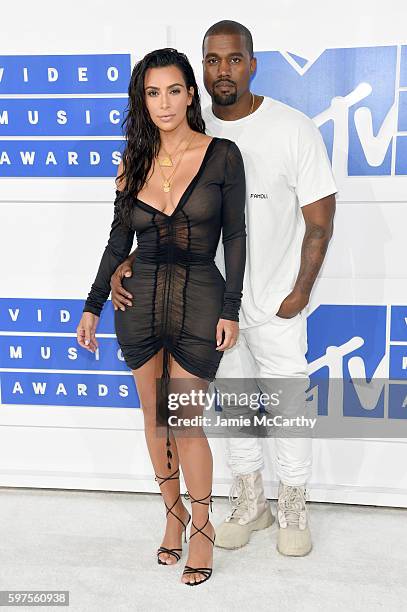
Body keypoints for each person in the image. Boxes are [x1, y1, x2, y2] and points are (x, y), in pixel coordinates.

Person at [110, 21, 337, 559]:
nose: (222, 70)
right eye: (212, 60)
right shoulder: (191, 124)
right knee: (233, 408)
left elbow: (321, 220)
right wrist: (128, 262)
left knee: (285, 407)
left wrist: (300, 291)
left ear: (252, 64)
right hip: (210, 303)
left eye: (233, 60)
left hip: (278, 302)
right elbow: (170, 216)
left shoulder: (292, 127)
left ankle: (294, 504)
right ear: (201, 70)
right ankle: (250, 500)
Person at [76, 48, 246, 586]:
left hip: (200, 299)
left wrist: (231, 309)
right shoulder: (132, 162)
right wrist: (93, 303)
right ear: (141, 101)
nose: (165, 102)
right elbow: (116, 242)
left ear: (191, 93)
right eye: (153, 93)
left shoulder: (222, 155)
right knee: (156, 422)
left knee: (186, 422)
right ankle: (172, 520)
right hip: (140, 301)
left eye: (174, 90)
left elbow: (238, 237)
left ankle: (202, 527)